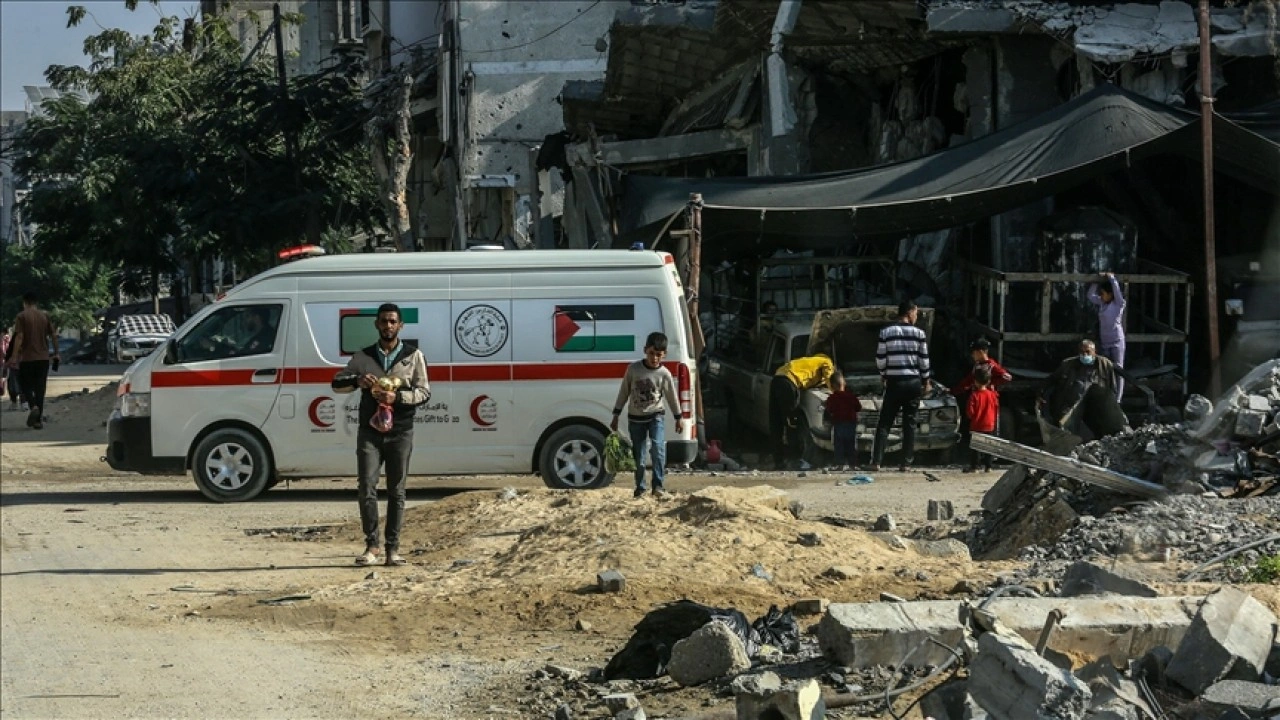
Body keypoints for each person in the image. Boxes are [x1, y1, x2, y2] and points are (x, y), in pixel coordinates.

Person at [330, 303, 431, 567]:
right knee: (366, 486)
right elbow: (336, 383)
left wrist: (396, 397)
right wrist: (357, 382)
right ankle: (371, 545)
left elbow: (424, 392)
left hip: (400, 430)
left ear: (401, 326)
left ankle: (392, 549)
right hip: (370, 431)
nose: (388, 326)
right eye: (384, 321)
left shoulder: (413, 356)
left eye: (392, 322)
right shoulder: (363, 356)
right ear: (376, 324)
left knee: (397, 490)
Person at [610, 332, 684, 499]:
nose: (655, 358)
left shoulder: (664, 374)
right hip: (636, 418)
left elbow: (672, 396)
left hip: (655, 415)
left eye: (658, 355)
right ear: (645, 350)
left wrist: (678, 417)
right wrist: (616, 414)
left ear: (664, 354)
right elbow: (624, 392)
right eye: (651, 353)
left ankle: (658, 485)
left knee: (658, 448)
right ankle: (640, 487)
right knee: (639, 455)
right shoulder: (633, 369)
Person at [870, 299, 931, 472]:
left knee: (885, 422)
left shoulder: (886, 332)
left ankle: (876, 461)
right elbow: (923, 361)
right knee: (909, 423)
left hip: (894, 382)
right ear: (910, 312)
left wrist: (884, 375)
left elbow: (880, 358)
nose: (916, 316)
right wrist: (926, 380)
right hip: (913, 383)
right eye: (916, 313)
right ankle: (906, 463)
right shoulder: (919, 334)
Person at [769, 352, 835, 470]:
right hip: (788, 384)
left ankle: (778, 461)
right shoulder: (826, 362)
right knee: (792, 424)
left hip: (776, 380)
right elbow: (830, 379)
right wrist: (836, 392)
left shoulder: (809, 362)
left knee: (776, 423)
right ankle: (795, 461)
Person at [950, 338, 1012, 462]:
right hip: (979, 401)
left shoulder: (991, 365)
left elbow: (1007, 377)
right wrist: (953, 391)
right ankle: (979, 461)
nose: (973, 355)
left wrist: (991, 384)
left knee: (990, 432)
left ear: (981, 352)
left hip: (988, 402)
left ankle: (989, 460)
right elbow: (967, 381)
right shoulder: (977, 366)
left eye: (974, 352)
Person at [9, 292, 59, 429]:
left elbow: (19, 337)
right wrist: (56, 353)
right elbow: (53, 335)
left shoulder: (21, 316)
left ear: (25, 303)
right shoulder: (45, 316)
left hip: (27, 358)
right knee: (40, 388)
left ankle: (33, 406)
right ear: (35, 302)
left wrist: (14, 357)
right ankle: (38, 421)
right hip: (43, 359)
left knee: (24, 384)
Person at [1088, 272, 1127, 399]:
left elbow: (1117, 293)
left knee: (1119, 371)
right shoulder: (1102, 303)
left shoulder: (1118, 304)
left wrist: (1111, 278)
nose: (1101, 296)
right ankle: (1107, 396)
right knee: (1104, 369)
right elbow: (1090, 296)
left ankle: (1118, 400)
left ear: (1110, 295)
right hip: (1105, 341)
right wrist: (1096, 281)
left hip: (1116, 341)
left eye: (1103, 294)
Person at [823, 371, 862, 471]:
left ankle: (839, 465)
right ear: (844, 383)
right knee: (851, 445)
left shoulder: (832, 398)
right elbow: (858, 407)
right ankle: (853, 465)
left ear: (832, 386)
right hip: (851, 424)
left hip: (838, 424)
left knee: (839, 445)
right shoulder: (851, 396)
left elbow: (829, 410)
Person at [964, 366, 999, 473]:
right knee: (989, 446)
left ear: (975, 381)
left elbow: (970, 412)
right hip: (990, 424)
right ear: (988, 381)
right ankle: (988, 466)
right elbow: (996, 408)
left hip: (977, 425)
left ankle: (974, 467)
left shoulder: (974, 396)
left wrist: (971, 418)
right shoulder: (992, 395)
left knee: (975, 448)